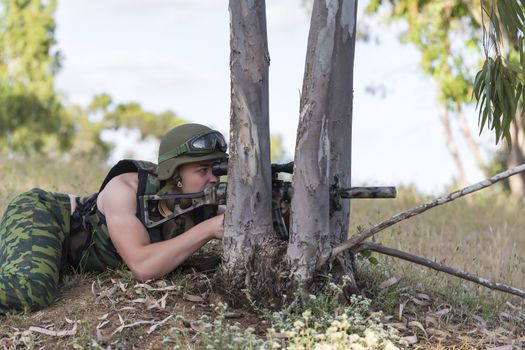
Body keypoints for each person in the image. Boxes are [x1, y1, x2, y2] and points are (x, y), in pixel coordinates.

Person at [0, 123, 228, 314]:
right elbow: (143, 266)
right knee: (32, 289)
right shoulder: (126, 189)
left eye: (216, 170)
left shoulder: (198, 207)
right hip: (45, 215)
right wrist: (207, 230)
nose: (213, 179)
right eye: (203, 170)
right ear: (175, 173)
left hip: (62, 257)